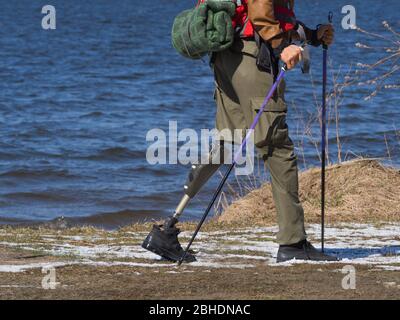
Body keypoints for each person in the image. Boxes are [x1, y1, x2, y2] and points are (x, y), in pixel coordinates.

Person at [143, 0, 338, 263]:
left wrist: (311, 36)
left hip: (226, 58)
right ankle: (293, 243)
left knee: (226, 142)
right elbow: (261, 14)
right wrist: (282, 46)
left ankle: (167, 229)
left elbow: (269, 16)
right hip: (251, 59)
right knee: (276, 148)